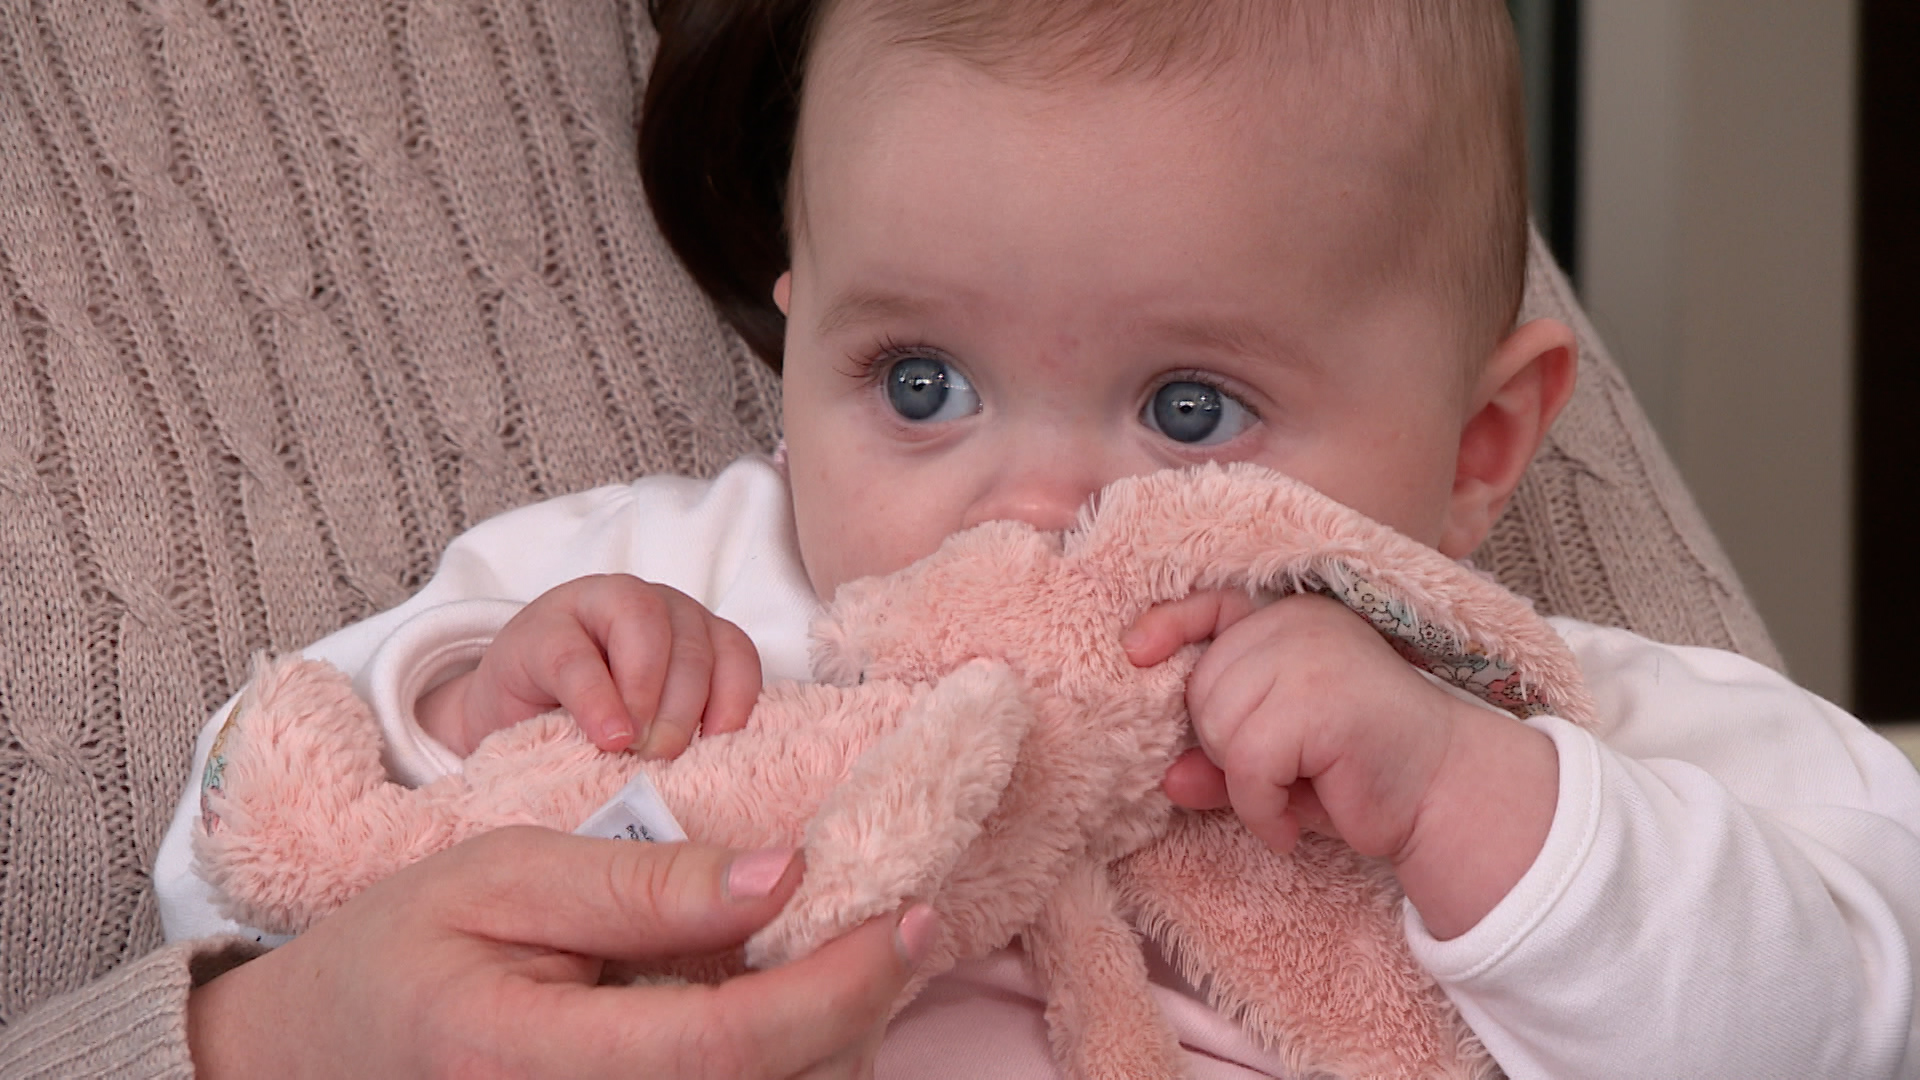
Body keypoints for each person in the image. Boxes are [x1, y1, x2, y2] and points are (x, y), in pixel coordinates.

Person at [156, 0, 1920, 1076]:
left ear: (1476, 447)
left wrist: (1482, 808)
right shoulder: (698, 591)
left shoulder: (1529, 713)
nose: (1032, 506)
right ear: (804, 326)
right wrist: (474, 705)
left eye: (1190, 410)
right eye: (917, 378)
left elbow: (1857, 1016)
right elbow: (235, 852)